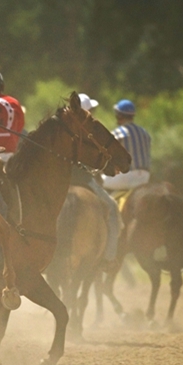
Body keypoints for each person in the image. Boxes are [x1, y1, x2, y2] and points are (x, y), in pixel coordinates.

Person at [74, 93, 120, 268]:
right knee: (112, 209)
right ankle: (109, 258)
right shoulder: (92, 134)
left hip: (61, 179)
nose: (93, 113)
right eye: (91, 110)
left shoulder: (64, 129)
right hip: (84, 180)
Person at [101, 99, 151, 191]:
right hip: (145, 177)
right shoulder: (145, 133)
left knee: (98, 181)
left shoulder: (117, 133)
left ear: (119, 115)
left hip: (126, 177)